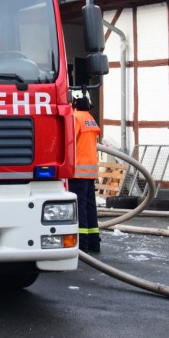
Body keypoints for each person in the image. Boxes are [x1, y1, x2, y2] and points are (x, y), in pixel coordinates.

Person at [71, 95, 101, 252]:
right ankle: (93, 242)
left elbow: (69, 141)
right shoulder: (90, 119)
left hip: (77, 171)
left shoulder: (75, 118)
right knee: (90, 207)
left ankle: (81, 244)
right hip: (90, 171)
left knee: (79, 207)